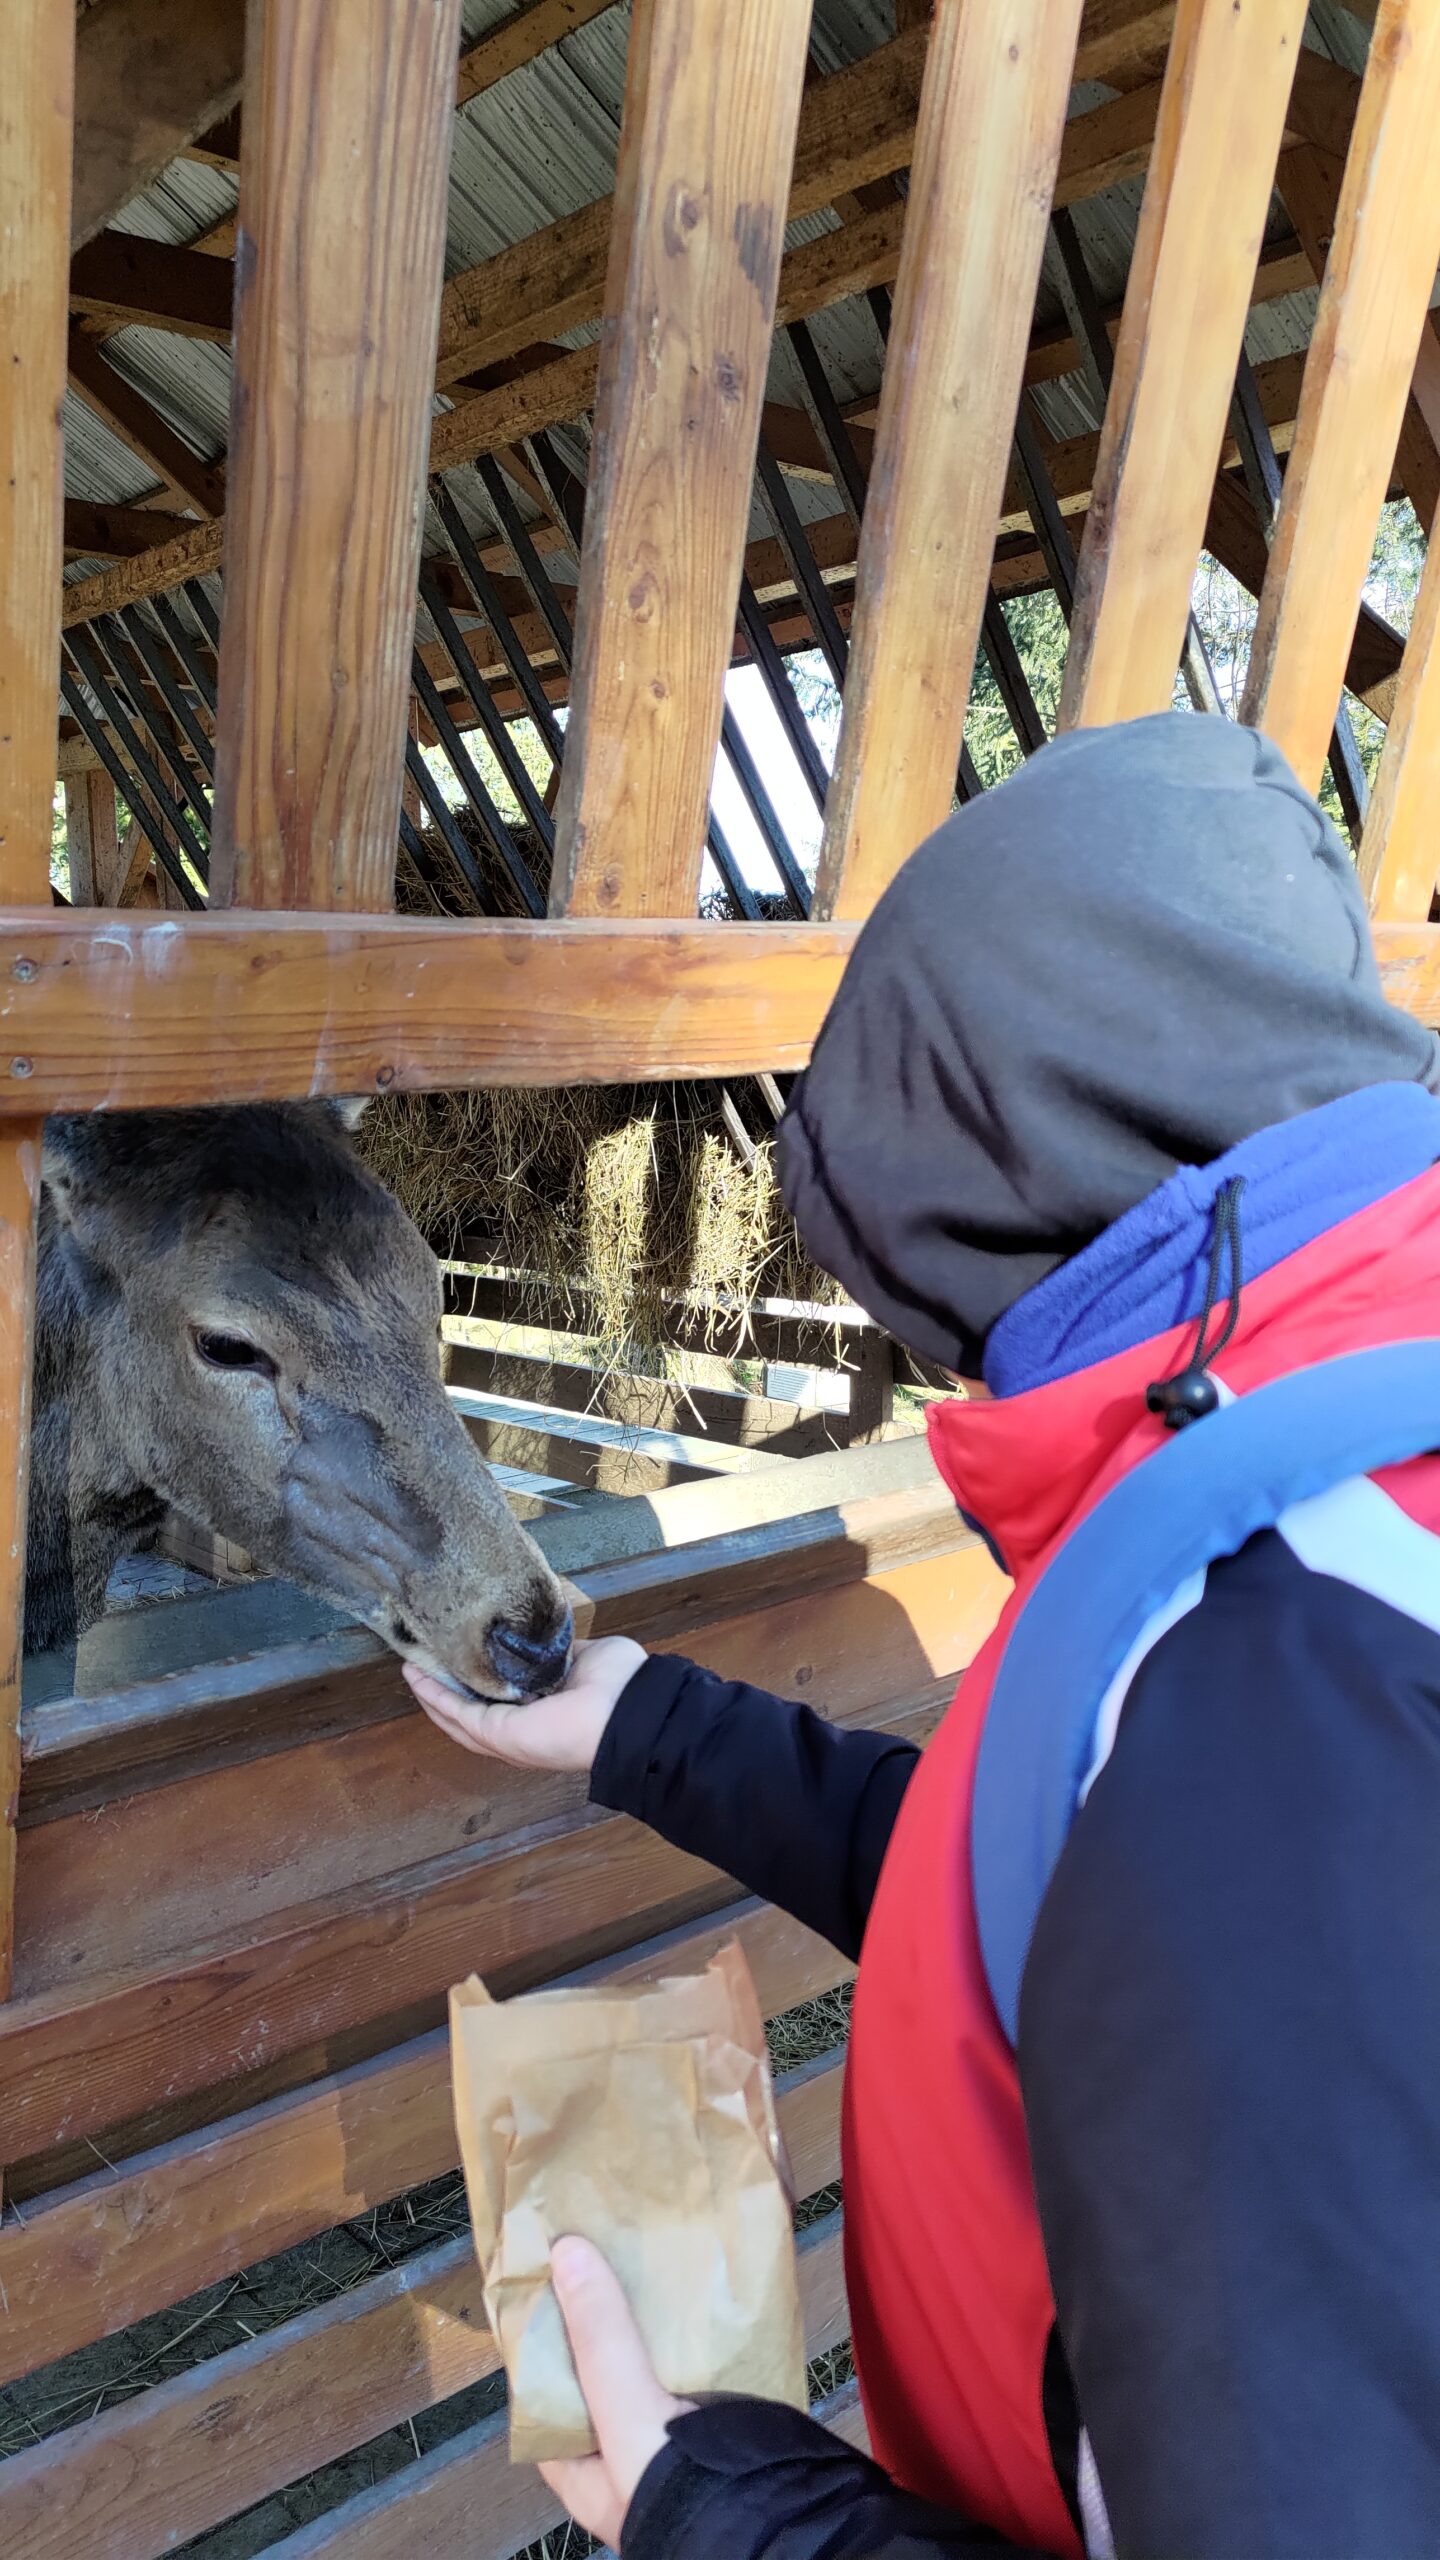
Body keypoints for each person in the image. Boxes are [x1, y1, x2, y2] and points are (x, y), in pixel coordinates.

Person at [409, 712, 1440, 2560]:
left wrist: (722, 2511)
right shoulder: (1321, 1470)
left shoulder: (1278, 1651)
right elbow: (1079, 1909)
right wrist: (653, 1727)